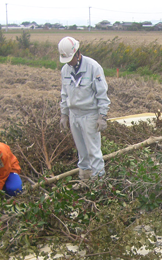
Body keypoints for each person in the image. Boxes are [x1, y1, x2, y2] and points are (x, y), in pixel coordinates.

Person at [58, 36, 111, 180]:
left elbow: (102, 93)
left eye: (70, 58)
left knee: (93, 151)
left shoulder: (93, 67)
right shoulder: (65, 70)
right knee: (82, 152)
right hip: (74, 114)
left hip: (90, 114)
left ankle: (99, 182)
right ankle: (85, 179)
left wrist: (102, 116)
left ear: (77, 53)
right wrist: (64, 114)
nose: (69, 62)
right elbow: (64, 93)